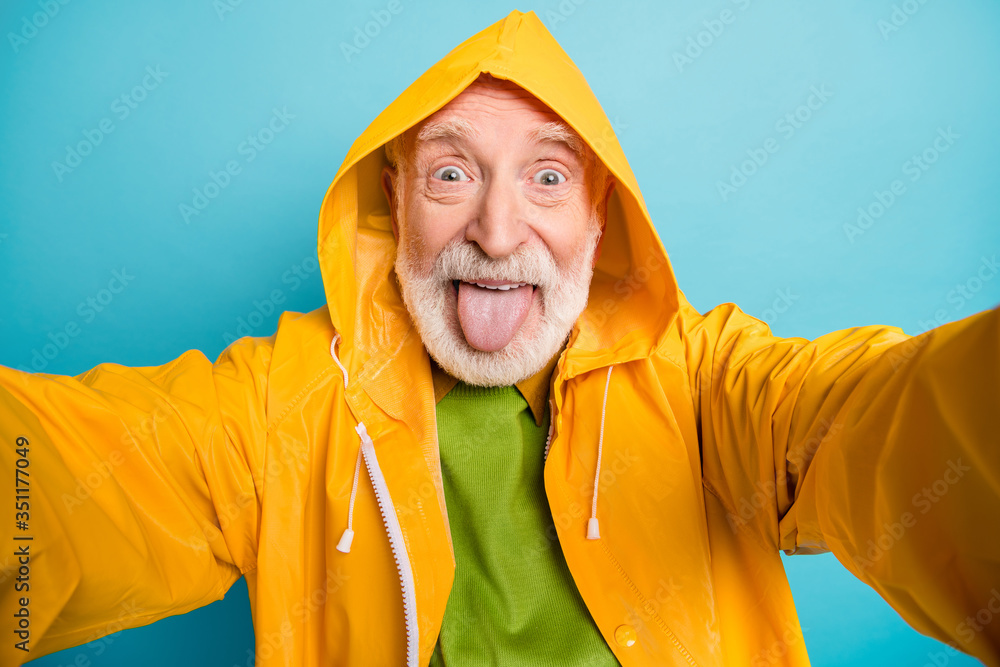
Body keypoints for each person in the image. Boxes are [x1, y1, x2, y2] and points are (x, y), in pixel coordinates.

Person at [2, 9, 998, 666]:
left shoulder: (713, 387)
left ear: (600, 217)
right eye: (450, 174)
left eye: (548, 177)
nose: (496, 230)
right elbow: (82, 478)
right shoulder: (284, 406)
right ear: (396, 201)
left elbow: (881, 423)